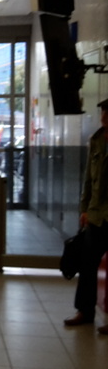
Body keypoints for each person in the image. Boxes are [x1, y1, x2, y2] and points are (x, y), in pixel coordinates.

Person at [64, 98, 108, 335]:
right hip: (96, 215)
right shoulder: (97, 140)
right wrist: (84, 208)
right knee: (88, 264)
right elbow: (89, 179)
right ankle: (85, 311)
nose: (103, 117)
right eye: (102, 112)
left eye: (107, 113)